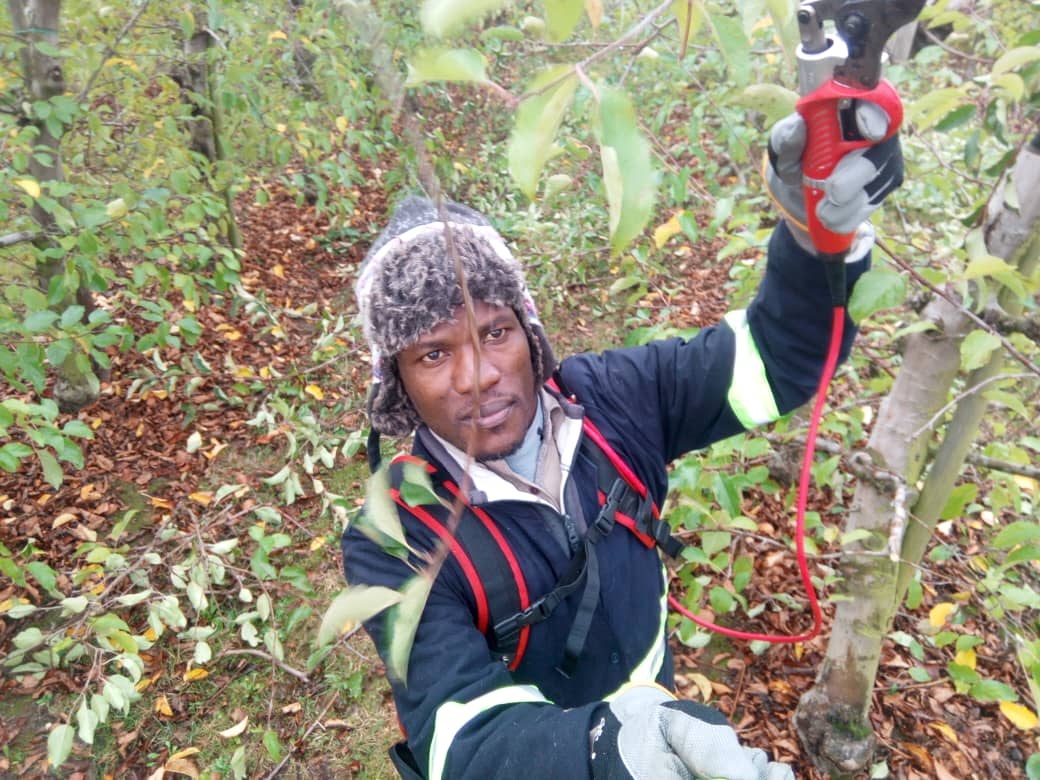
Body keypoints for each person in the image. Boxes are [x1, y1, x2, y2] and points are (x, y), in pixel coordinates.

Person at [341, 112, 903, 780]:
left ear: (529, 333)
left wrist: (818, 242)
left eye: (494, 333)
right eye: (434, 352)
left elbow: (774, 360)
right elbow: (458, 733)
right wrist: (602, 752)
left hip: (659, 712)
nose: (478, 376)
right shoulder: (395, 536)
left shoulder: (614, 398)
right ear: (398, 382)